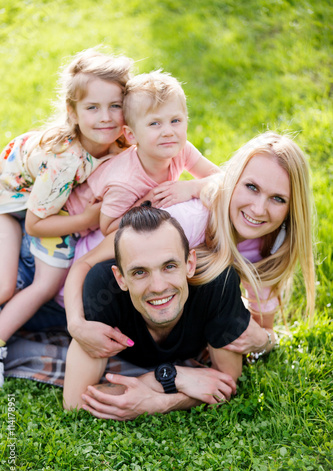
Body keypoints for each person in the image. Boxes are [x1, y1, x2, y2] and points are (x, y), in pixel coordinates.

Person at [64, 131, 315, 367]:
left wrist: (264, 341)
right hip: (68, 285)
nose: (259, 209)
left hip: (141, 302)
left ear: (292, 209)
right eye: (252, 187)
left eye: (278, 199)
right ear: (232, 181)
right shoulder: (186, 220)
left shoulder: (270, 244)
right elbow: (85, 263)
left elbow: (261, 330)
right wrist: (75, 324)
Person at [0, 47, 133, 385]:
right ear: (73, 113)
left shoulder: (119, 142)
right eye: (92, 108)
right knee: (28, 285)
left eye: (115, 106)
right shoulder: (65, 160)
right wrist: (87, 219)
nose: (106, 117)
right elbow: (35, 223)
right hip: (12, 204)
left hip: (44, 203)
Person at [63, 204, 267, 418]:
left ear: (190, 264)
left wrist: (161, 402)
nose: (158, 286)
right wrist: (169, 377)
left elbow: (226, 383)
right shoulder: (103, 288)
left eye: (169, 266)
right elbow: (76, 403)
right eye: (140, 272)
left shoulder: (218, 284)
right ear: (120, 278)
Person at [64, 69, 221, 239]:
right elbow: (108, 228)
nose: (168, 132)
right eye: (154, 123)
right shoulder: (125, 181)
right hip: (68, 227)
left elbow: (222, 178)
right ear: (131, 135)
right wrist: (146, 203)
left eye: (175, 121)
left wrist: (192, 187)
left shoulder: (181, 149)